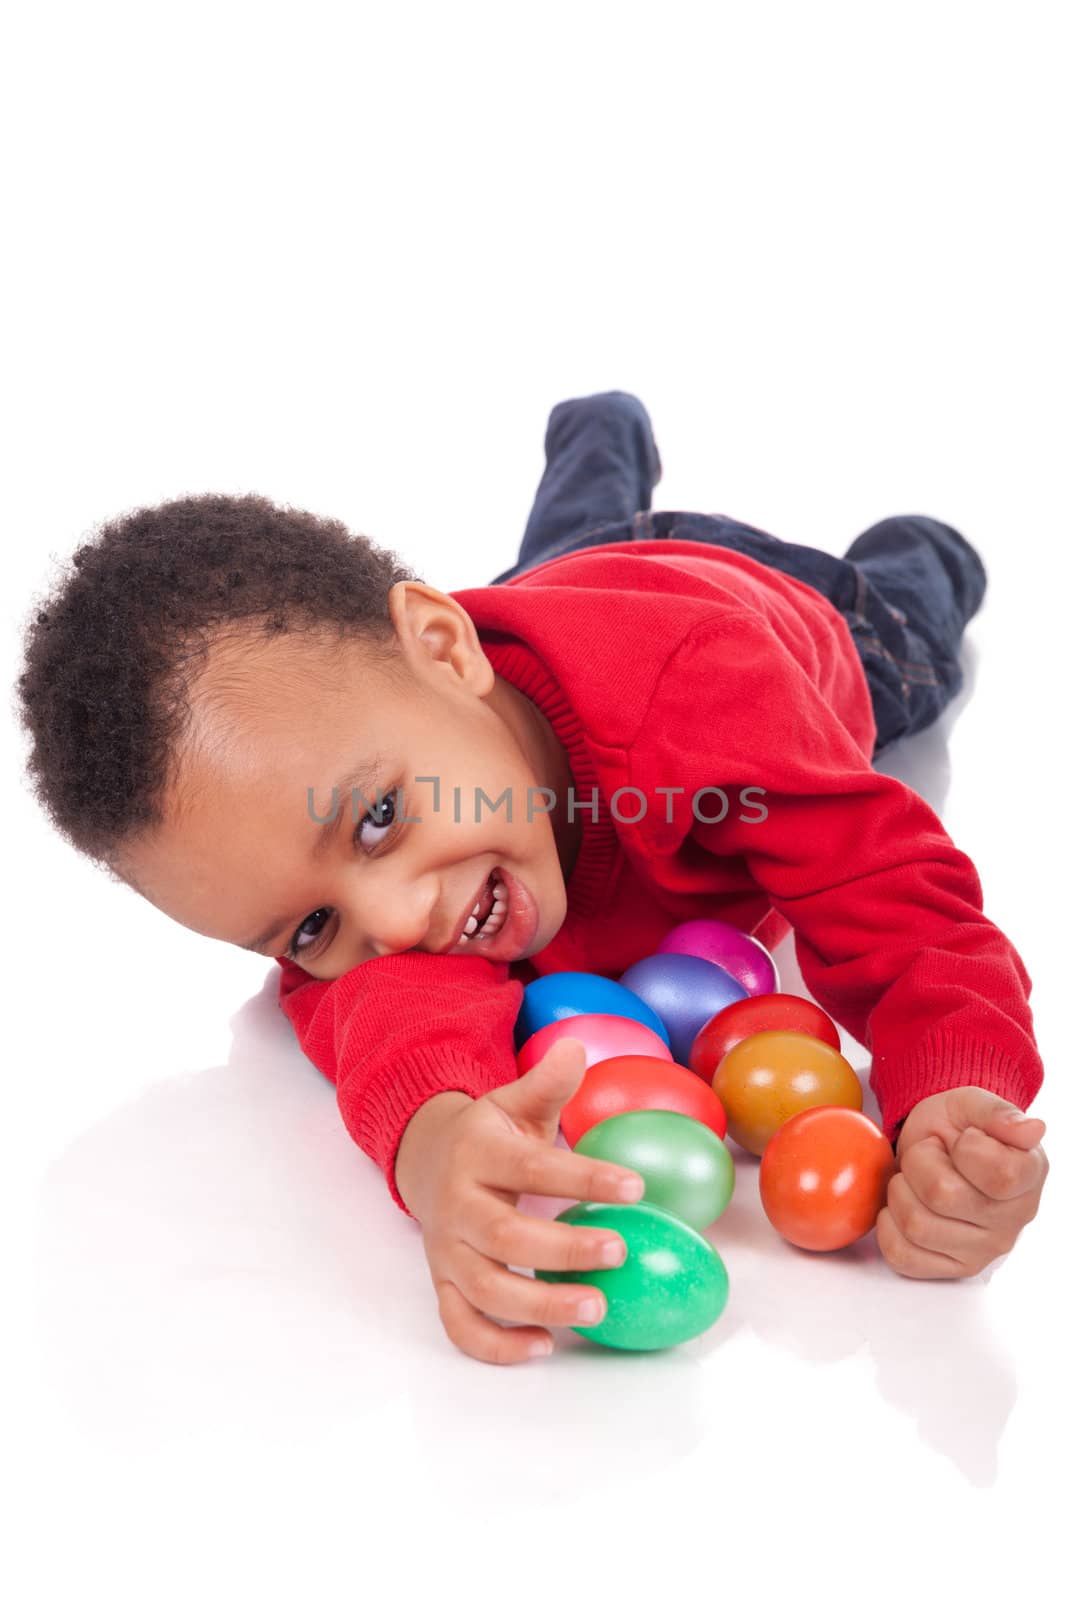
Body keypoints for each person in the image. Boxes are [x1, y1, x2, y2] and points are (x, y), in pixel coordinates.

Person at [15, 391, 1049, 1367]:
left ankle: (922, 548)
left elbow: (889, 889)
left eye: (378, 816)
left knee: (906, 645)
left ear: (444, 650)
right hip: (554, 597)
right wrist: (433, 1146)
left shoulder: (701, 703)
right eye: (307, 927)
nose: (390, 921)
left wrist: (953, 1092)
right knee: (565, 554)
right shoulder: (411, 790)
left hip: (788, 612)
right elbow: (387, 1018)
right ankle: (599, 449)